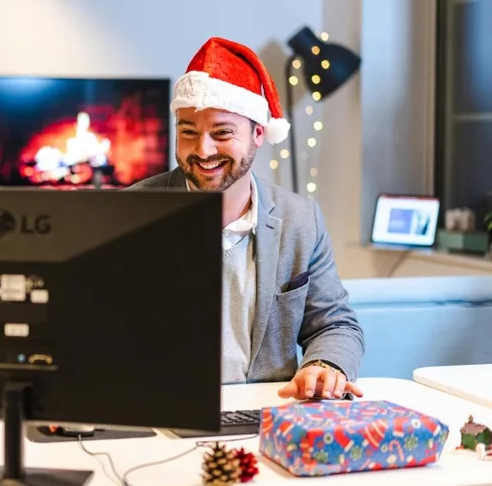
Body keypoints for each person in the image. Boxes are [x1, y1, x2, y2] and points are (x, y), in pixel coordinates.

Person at [126, 37, 365, 401]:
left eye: (222, 133)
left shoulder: (301, 220)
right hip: (160, 409)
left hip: (267, 413)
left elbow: (335, 325)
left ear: (257, 133)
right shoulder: (131, 213)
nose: (203, 150)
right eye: (188, 131)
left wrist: (326, 366)